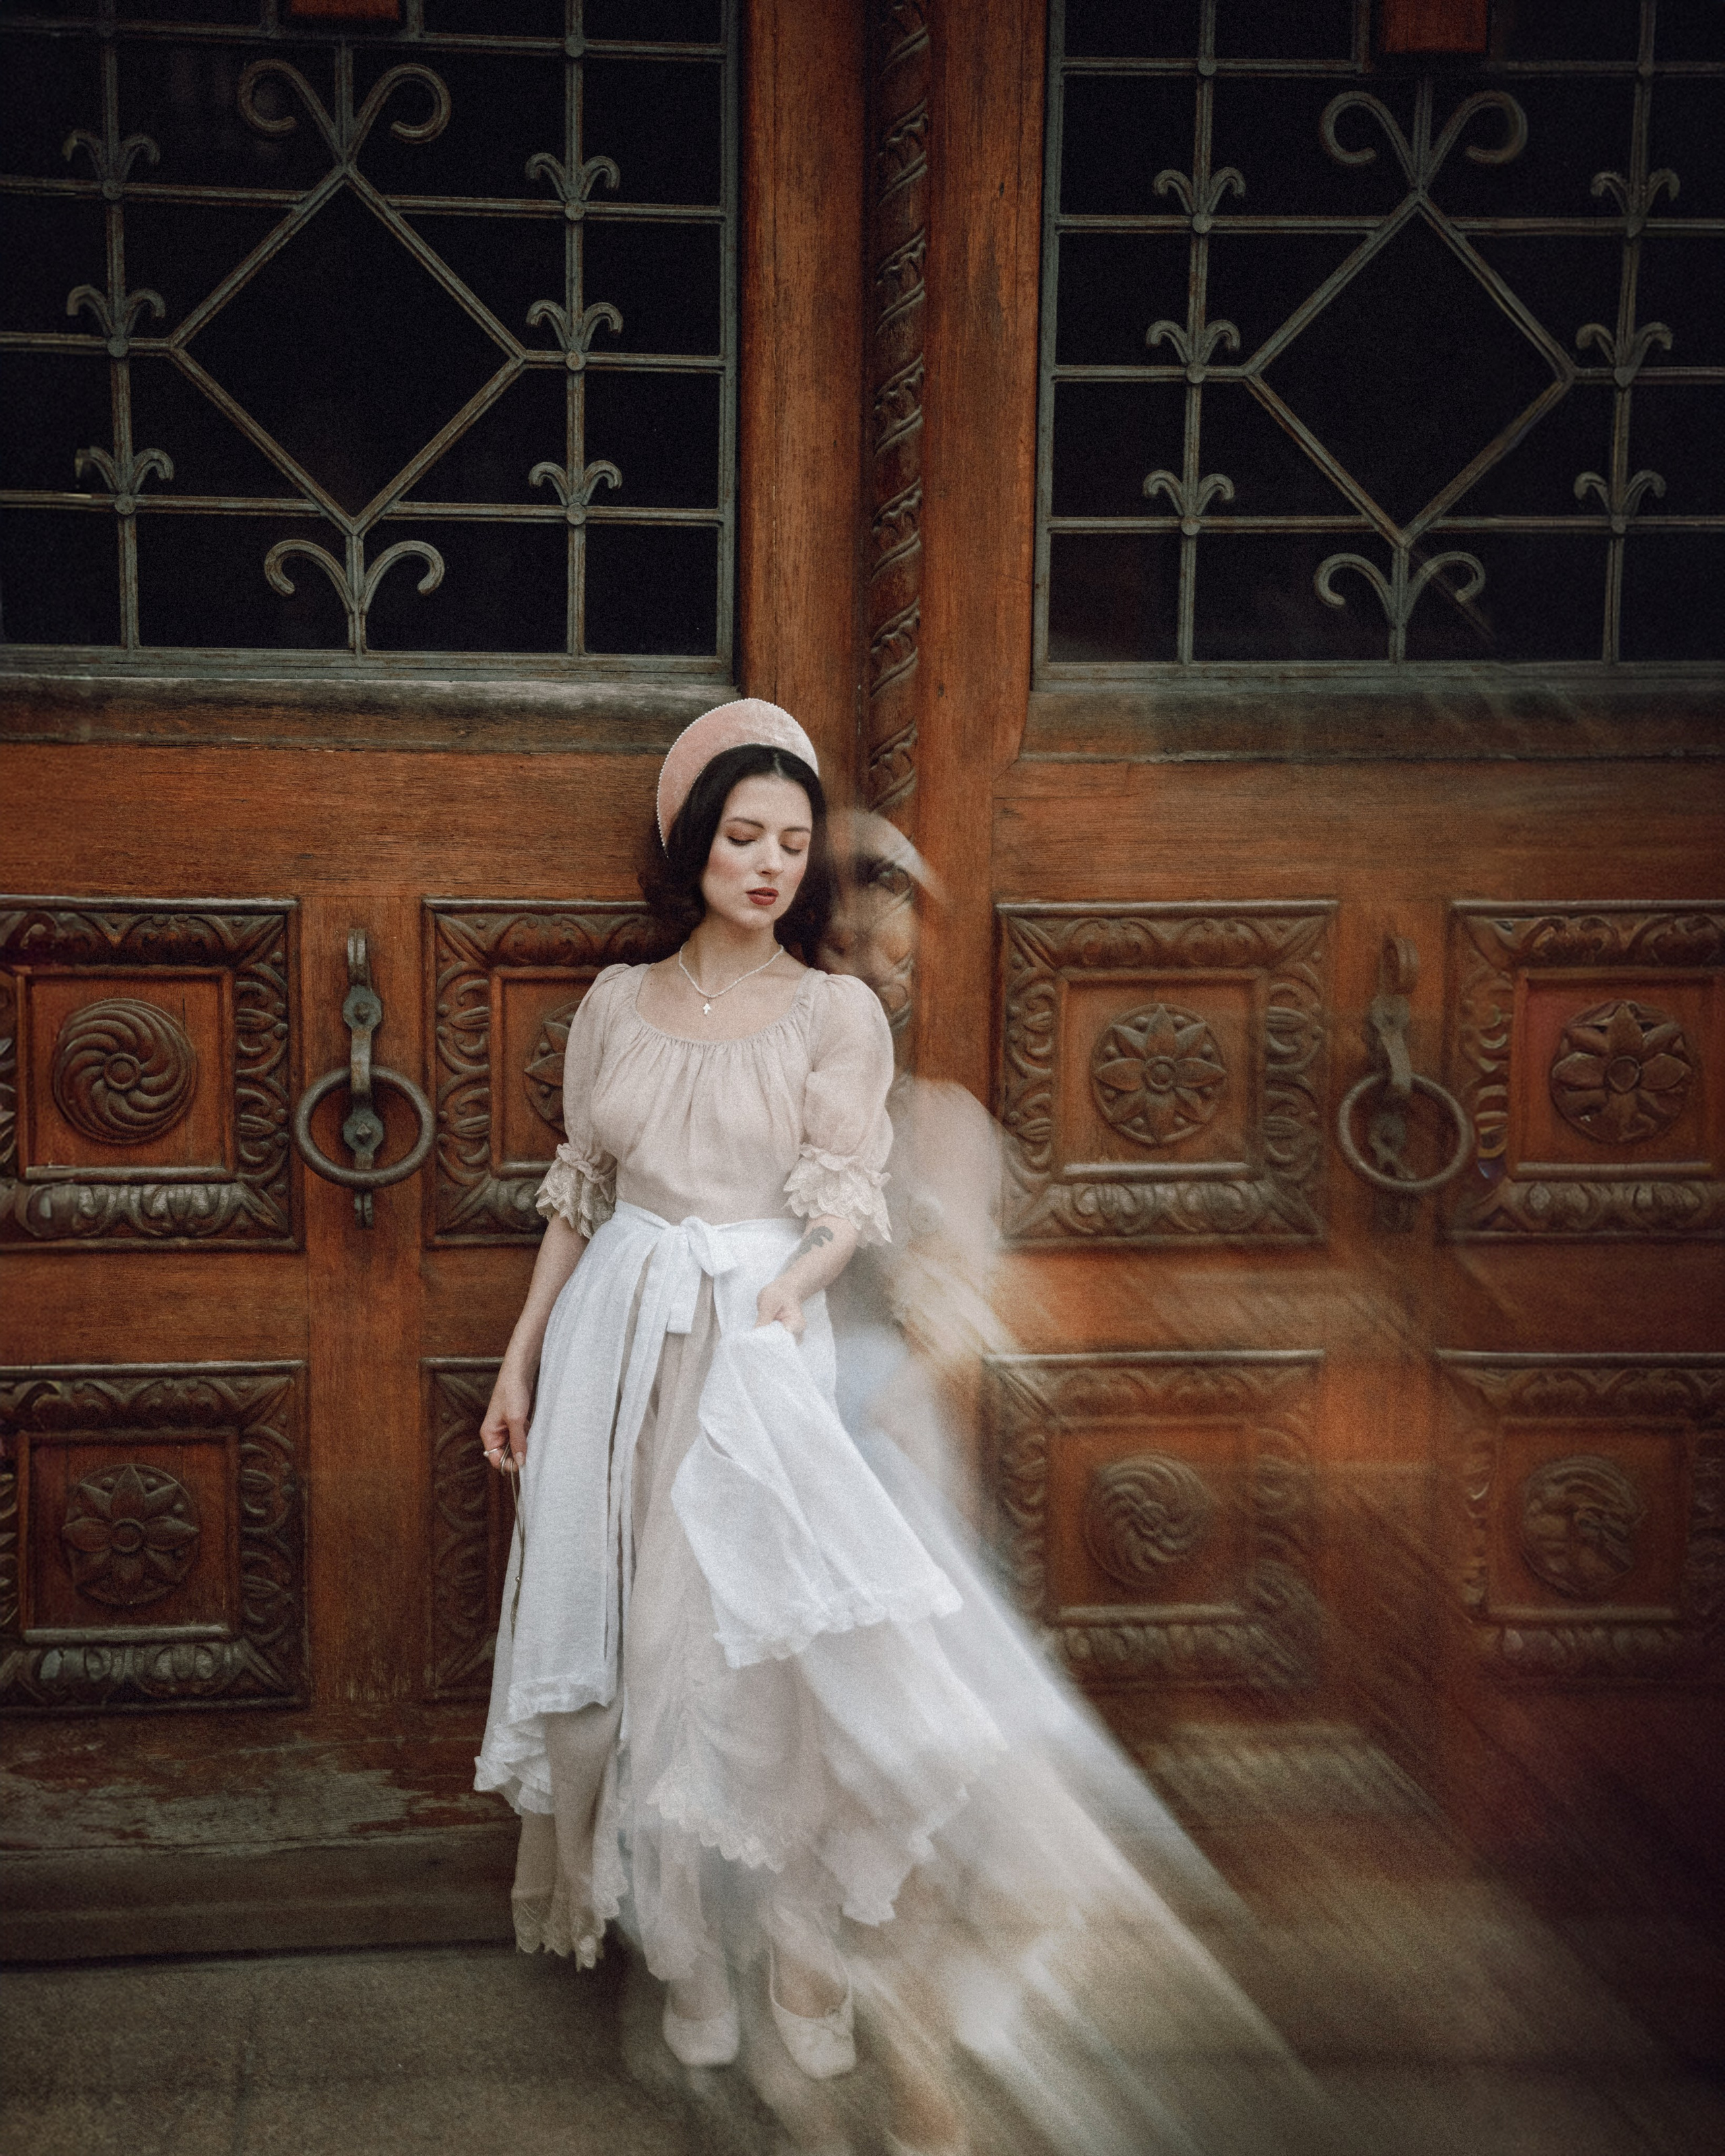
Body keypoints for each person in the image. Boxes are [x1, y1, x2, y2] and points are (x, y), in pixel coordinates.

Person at [476, 704, 1305, 2156]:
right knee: (633, 1639)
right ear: (694, 846)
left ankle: (801, 1954)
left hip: (755, 1349)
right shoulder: (616, 1000)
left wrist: (780, 1294)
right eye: (743, 837)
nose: (768, 863)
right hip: (620, 1343)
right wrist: (519, 1360)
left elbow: (843, 1204)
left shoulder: (831, 1016)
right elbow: (576, 1192)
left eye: (791, 844)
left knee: (764, 1657)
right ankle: (679, 1960)